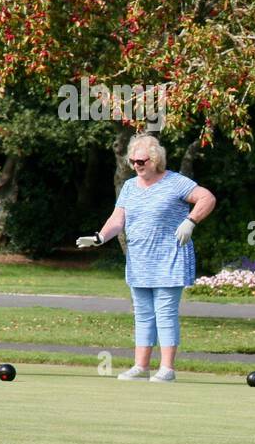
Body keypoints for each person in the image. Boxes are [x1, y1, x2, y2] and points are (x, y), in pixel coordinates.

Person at [76, 134, 217, 382]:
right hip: (140, 260)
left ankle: (167, 369)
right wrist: (99, 237)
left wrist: (190, 221)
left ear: (155, 159)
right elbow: (118, 220)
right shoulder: (130, 187)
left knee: (165, 313)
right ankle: (141, 366)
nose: (137, 165)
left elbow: (207, 198)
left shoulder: (176, 182)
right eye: (133, 161)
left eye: (141, 160)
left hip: (170, 259)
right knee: (142, 314)